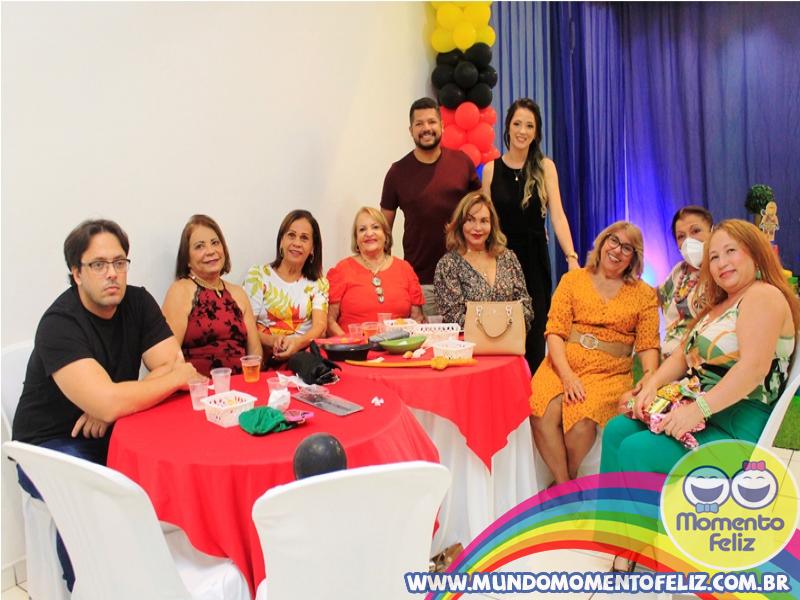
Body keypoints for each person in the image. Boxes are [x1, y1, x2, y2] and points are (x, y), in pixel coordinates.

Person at [600, 219, 798, 572]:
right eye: (714, 257)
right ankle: (627, 538)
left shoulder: (763, 295)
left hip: (736, 420)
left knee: (637, 450)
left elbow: (753, 369)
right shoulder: (720, 304)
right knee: (617, 431)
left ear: (754, 253)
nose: (721, 263)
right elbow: (681, 355)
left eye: (731, 251)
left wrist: (698, 409)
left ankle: (657, 552)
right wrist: (651, 385)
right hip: (701, 406)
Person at [12, 219, 198, 591]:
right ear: (76, 273)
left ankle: (167, 573)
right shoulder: (59, 323)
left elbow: (173, 364)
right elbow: (159, 381)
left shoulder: (138, 302)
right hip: (50, 445)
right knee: (93, 498)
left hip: (115, 430)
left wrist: (114, 403)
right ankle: (92, 587)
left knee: (182, 455)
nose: (112, 273)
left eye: (119, 262)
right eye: (98, 265)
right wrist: (113, 401)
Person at [529, 222, 660, 484]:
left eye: (627, 248)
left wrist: (650, 376)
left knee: (582, 420)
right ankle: (564, 485)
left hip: (609, 372)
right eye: (614, 241)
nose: (617, 250)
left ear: (633, 258)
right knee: (540, 410)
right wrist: (567, 376)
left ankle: (569, 479)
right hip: (562, 364)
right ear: (602, 243)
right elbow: (555, 332)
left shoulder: (644, 294)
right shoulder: (572, 280)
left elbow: (648, 344)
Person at [481, 98, 580, 373]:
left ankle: (534, 396)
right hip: (500, 262)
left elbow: (558, 215)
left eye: (529, 126)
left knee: (535, 336)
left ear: (536, 132)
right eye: (517, 124)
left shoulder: (545, 167)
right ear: (507, 127)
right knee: (501, 336)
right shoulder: (490, 170)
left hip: (535, 262)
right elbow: (485, 221)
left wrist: (571, 257)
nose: (522, 131)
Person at [380, 97, 481, 316]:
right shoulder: (397, 172)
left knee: (469, 337)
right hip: (421, 282)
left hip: (466, 276)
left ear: (442, 125)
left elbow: (482, 213)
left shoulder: (462, 163)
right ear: (411, 130)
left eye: (432, 122)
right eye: (419, 124)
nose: (426, 128)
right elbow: (383, 232)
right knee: (427, 338)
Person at [162, 214, 262, 375]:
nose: (210, 251)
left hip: (240, 386)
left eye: (215, 243)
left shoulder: (238, 293)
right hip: (198, 386)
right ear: (187, 259)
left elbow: (255, 352)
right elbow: (168, 359)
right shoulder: (180, 291)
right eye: (199, 246)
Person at [433, 191, 533, 329]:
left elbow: (525, 307)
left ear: (492, 225)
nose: (477, 228)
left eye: (484, 221)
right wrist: (496, 326)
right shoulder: (448, 265)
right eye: (470, 220)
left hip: (509, 340)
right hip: (468, 342)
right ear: (460, 224)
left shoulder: (508, 258)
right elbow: (454, 317)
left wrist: (504, 327)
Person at [243, 210, 328, 361]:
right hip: (263, 358)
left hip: (303, 357)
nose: (297, 243)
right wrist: (273, 341)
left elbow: (319, 326)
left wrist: (297, 343)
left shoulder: (318, 283)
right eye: (291, 235)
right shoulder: (258, 276)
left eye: (304, 238)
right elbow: (246, 326)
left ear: (312, 248)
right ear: (281, 241)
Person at [327, 207, 424, 335]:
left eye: (375, 227)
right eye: (362, 229)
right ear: (356, 239)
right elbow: (329, 321)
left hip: (398, 345)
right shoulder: (342, 270)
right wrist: (349, 342)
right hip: (353, 346)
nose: (369, 233)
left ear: (386, 235)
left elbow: (417, 319)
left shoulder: (405, 269)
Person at [658, 206, 714, 357]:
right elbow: (653, 297)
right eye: (681, 236)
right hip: (669, 355)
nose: (689, 240)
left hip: (701, 356)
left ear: (712, 231)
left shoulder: (721, 270)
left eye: (696, 231)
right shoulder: (678, 271)